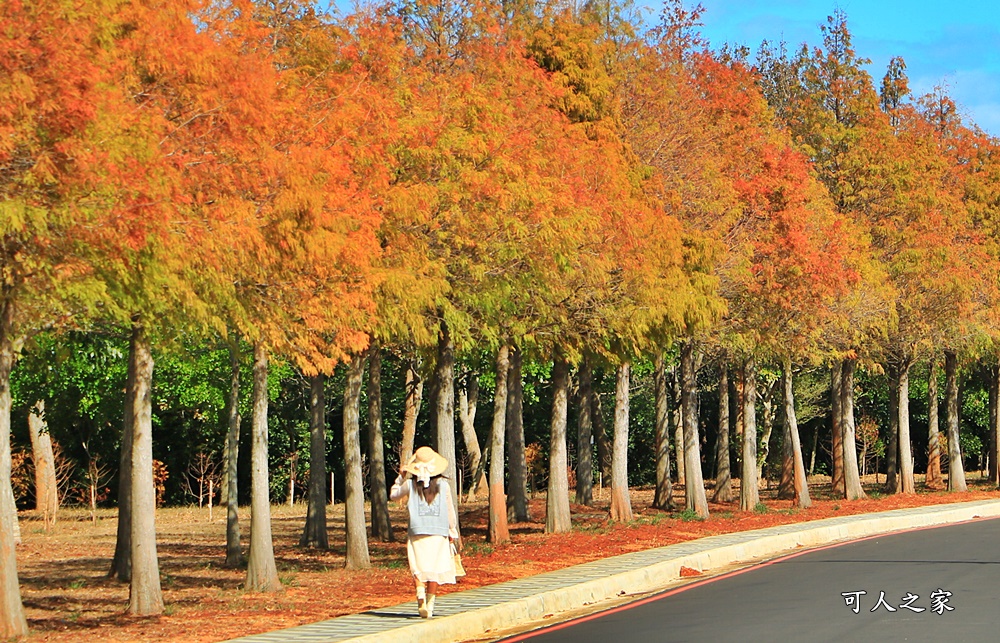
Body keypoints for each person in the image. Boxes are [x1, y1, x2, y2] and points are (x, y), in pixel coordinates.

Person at [390, 446, 460, 618]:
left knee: (419, 566)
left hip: (417, 531)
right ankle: (430, 604)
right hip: (439, 532)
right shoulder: (444, 485)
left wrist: (400, 476)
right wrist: (453, 532)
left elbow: (393, 496)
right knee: (434, 568)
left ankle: (420, 596)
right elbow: (450, 511)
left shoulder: (409, 484)